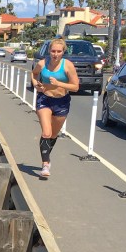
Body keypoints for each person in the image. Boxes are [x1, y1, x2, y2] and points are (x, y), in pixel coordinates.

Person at [30, 38, 79, 177]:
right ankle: (45, 164)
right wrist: (35, 84)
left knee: (52, 135)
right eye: (53, 51)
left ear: (63, 52)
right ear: (49, 51)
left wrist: (59, 83)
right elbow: (34, 74)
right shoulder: (42, 63)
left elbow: (75, 87)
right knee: (46, 133)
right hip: (44, 100)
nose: (55, 54)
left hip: (61, 102)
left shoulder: (68, 65)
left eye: (58, 51)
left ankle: (46, 158)